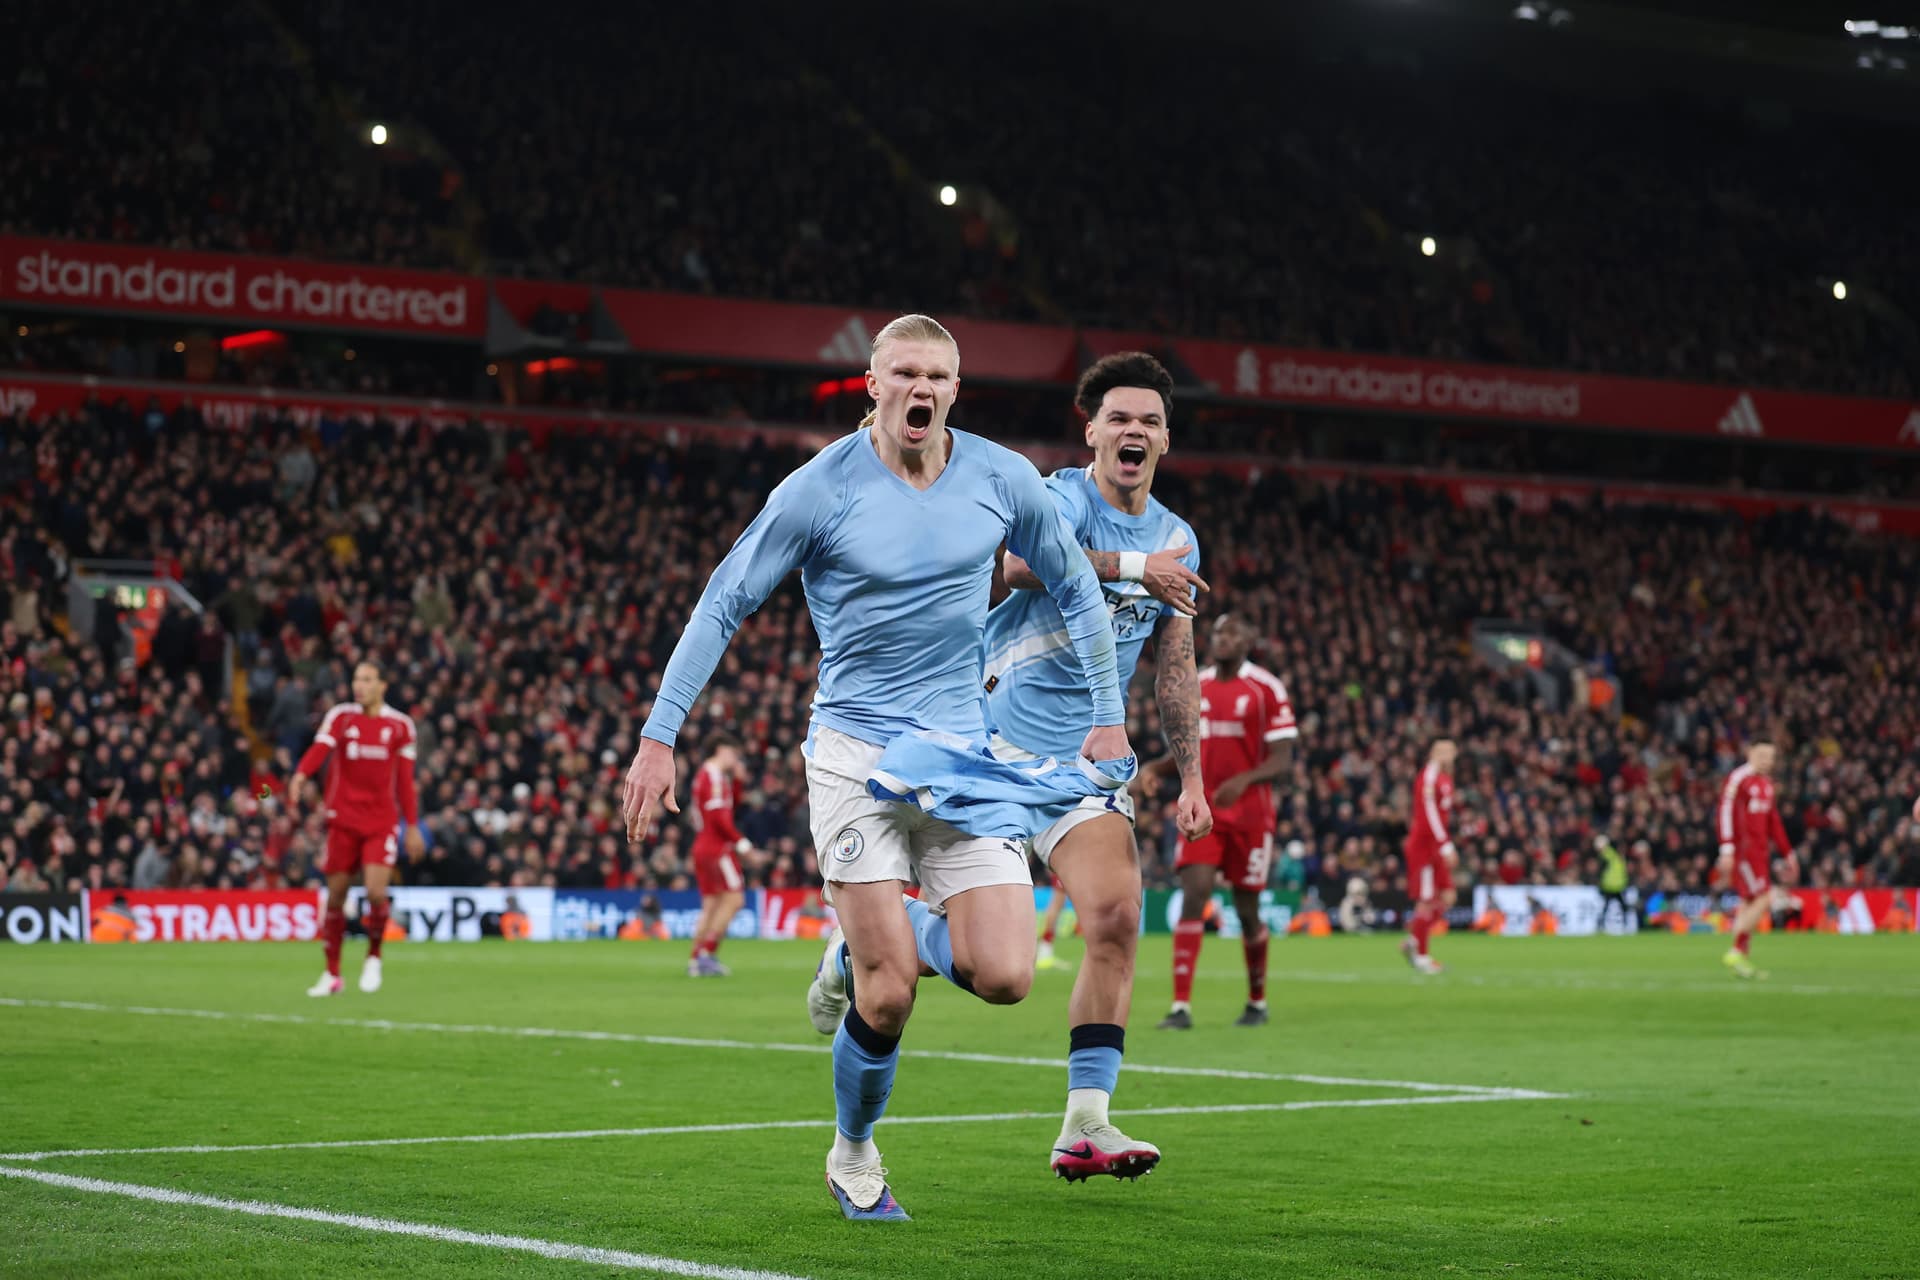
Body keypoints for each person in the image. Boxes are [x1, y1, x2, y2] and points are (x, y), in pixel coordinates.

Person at [620, 314, 1129, 1222]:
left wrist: (1107, 716)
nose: (920, 388)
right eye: (904, 371)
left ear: (954, 392)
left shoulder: (1001, 476)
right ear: (873, 384)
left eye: (936, 374)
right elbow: (724, 599)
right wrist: (661, 737)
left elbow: (1076, 587)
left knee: (1009, 974)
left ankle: (852, 951)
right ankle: (854, 1149)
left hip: (962, 754)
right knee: (888, 995)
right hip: (856, 756)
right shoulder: (822, 488)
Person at [972, 351, 1211, 1179]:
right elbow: (1018, 567)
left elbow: (1175, 669)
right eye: (1119, 418)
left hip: (1087, 763)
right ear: (1093, 433)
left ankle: (1085, 1124)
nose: (1133, 430)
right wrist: (1133, 568)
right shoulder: (1059, 495)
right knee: (985, 966)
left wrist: (1194, 777)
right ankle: (858, 950)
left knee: (1115, 917)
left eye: (1148, 420)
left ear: (1165, 440)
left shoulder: (1179, 536)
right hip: (994, 748)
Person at [1155, 612, 1296, 1029]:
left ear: (1250, 639)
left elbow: (1283, 758)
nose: (1222, 639)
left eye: (1232, 632)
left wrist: (1244, 780)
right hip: (1202, 811)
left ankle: (1257, 1001)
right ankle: (1181, 1006)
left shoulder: (1266, 688)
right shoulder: (1196, 683)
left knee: (1248, 909)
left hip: (1251, 817)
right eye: (1217, 632)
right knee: (1195, 893)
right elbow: (1184, 747)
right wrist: (1153, 771)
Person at [289, 660, 422, 996]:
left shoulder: (401, 726)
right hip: (343, 820)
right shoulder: (341, 716)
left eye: (367, 679)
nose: (359, 686)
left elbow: (405, 782)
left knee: (376, 892)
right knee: (335, 897)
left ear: (382, 686)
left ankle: (373, 957)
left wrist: (413, 824)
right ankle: (332, 975)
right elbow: (321, 750)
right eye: (356, 679)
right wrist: (301, 774)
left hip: (380, 822)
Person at [1715, 741, 1796, 979]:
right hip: (1744, 851)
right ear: (1749, 753)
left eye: (1770, 757)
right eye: (1761, 755)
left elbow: (1774, 821)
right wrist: (1727, 848)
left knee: (1750, 902)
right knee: (1764, 898)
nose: (1766, 761)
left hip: (1760, 853)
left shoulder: (1767, 785)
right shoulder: (1739, 778)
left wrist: (1788, 852)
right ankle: (1736, 950)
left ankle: (1739, 957)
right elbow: (1725, 811)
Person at [687, 734, 751, 977]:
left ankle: (696, 959)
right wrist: (742, 843)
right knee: (735, 900)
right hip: (717, 848)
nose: (735, 759)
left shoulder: (706, 775)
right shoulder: (713, 775)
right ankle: (707, 954)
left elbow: (724, 810)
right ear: (721, 749)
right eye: (733, 753)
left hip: (702, 844)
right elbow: (719, 818)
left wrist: (737, 783)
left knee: (711, 905)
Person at [1400, 739, 1458, 975]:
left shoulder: (1444, 777)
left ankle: (1414, 940)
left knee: (1448, 896)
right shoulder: (1430, 776)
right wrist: (1445, 845)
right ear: (1436, 753)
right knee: (1425, 901)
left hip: (1435, 846)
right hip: (1425, 846)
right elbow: (1429, 813)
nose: (1451, 756)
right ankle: (1421, 956)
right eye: (1447, 752)